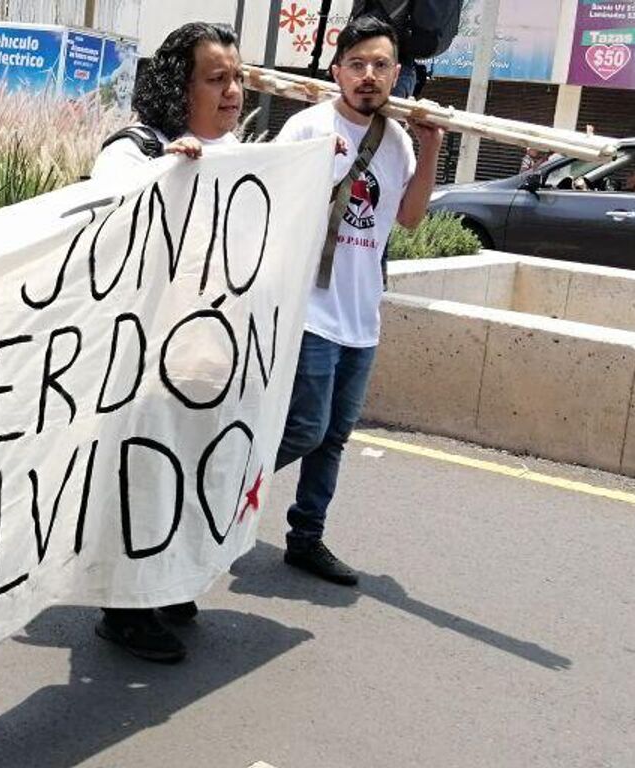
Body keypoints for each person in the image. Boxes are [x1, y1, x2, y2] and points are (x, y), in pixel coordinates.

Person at [81, 21, 244, 664]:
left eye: (237, 78)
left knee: (181, 470)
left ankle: (165, 582)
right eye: (216, 79)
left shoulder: (233, 153)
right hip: (137, 359)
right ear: (180, 89)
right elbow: (106, 233)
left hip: (196, 355)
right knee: (141, 478)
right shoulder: (132, 151)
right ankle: (123, 610)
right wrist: (161, 181)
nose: (232, 92)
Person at [270, 15, 442, 588]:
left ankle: (306, 537)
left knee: (335, 436)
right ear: (337, 69)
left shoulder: (396, 143)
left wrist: (431, 146)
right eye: (358, 64)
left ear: (397, 74)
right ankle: (217, 489)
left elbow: (411, 218)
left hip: (361, 315)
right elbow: (266, 209)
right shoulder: (306, 128)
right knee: (305, 430)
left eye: (381, 66)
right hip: (310, 310)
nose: (369, 76)